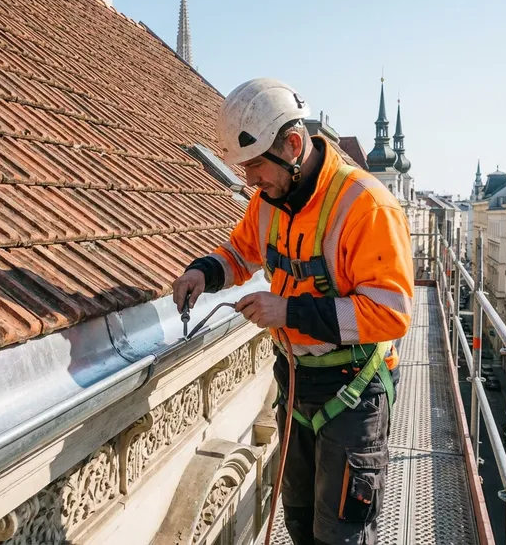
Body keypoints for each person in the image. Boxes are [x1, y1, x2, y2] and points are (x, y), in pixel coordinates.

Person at [172, 78, 414, 545]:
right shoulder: (268, 202)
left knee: (340, 535)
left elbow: (390, 312)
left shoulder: (366, 207)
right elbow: (241, 254)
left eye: (257, 165)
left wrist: (289, 312)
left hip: (353, 393)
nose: (250, 181)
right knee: (300, 521)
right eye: (244, 169)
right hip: (297, 383)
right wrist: (203, 273)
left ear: (294, 145)